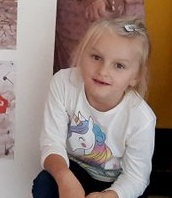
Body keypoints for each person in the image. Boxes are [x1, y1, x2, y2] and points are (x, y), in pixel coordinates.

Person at [34, 18, 156, 198]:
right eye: (96, 57)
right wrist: (65, 178)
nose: (103, 71)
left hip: (118, 183)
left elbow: (136, 177)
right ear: (82, 54)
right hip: (76, 170)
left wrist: (111, 195)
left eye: (119, 65)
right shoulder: (63, 83)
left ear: (135, 77)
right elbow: (51, 143)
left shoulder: (142, 119)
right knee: (44, 183)